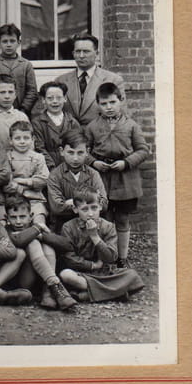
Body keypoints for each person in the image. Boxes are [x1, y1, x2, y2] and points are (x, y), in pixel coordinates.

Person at [86, 82, 149, 268]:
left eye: (112, 102)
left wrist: (126, 162)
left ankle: (122, 257)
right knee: (104, 218)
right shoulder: (92, 127)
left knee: (122, 218)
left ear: (121, 100)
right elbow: (83, 151)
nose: (109, 107)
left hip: (125, 179)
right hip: (102, 178)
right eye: (104, 103)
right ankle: (107, 258)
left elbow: (143, 150)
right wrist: (93, 162)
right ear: (98, 104)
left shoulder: (131, 125)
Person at [58, 187, 144, 302]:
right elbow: (69, 258)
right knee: (66, 275)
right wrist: (92, 265)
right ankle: (115, 293)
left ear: (100, 206)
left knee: (132, 275)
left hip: (105, 274)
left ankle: (85, 295)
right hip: (81, 273)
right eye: (84, 209)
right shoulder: (68, 227)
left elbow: (111, 258)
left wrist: (95, 237)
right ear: (75, 209)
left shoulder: (108, 226)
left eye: (94, 208)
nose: (90, 213)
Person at [2, 195, 76, 311]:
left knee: (47, 245)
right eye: (13, 217)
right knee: (33, 242)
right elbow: (18, 241)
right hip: (21, 283)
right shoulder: (5, 230)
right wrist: (37, 229)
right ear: (7, 218)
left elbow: (67, 245)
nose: (18, 221)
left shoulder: (34, 229)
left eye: (22, 216)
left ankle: (48, 293)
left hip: (39, 279)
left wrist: (42, 236)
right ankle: (55, 286)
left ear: (31, 216)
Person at [54, 33, 125, 126]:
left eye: (86, 51)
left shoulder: (113, 80)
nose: (81, 55)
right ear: (73, 54)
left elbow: (120, 116)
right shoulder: (61, 81)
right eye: (78, 51)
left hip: (100, 132)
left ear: (97, 54)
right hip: (68, 133)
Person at [47, 129, 108, 231]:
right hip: (63, 226)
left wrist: (71, 203)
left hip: (91, 224)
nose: (75, 158)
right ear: (62, 151)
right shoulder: (55, 175)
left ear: (87, 152)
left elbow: (104, 204)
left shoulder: (93, 174)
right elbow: (57, 208)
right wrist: (90, 203)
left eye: (80, 153)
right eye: (70, 152)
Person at [0, 24, 38, 113]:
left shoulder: (26, 65)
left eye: (12, 41)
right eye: (5, 41)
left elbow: (32, 91)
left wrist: (23, 110)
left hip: (21, 112)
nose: (9, 45)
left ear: (19, 43)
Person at [4, 121, 50, 226]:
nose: (22, 142)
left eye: (26, 138)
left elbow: (44, 180)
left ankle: (41, 233)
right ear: (10, 140)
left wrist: (23, 181)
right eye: (17, 138)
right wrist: (20, 188)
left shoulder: (38, 157)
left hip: (34, 199)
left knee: (39, 220)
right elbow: (6, 183)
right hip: (12, 200)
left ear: (32, 139)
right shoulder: (6, 157)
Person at [31, 81, 81, 170]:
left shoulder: (72, 122)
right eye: (50, 98)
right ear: (43, 100)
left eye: (59, 98)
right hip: (46, 167)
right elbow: (39, 148)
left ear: (65, 98)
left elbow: (78, 146)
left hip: (70, 167)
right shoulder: (37, 123)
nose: (55, 101)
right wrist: (52, 167)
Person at [0, 74, 30, 150]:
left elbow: (30, 143)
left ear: (15, 94)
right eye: (2, 92)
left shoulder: (21, 117)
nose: (7, 96)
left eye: (10, 92)